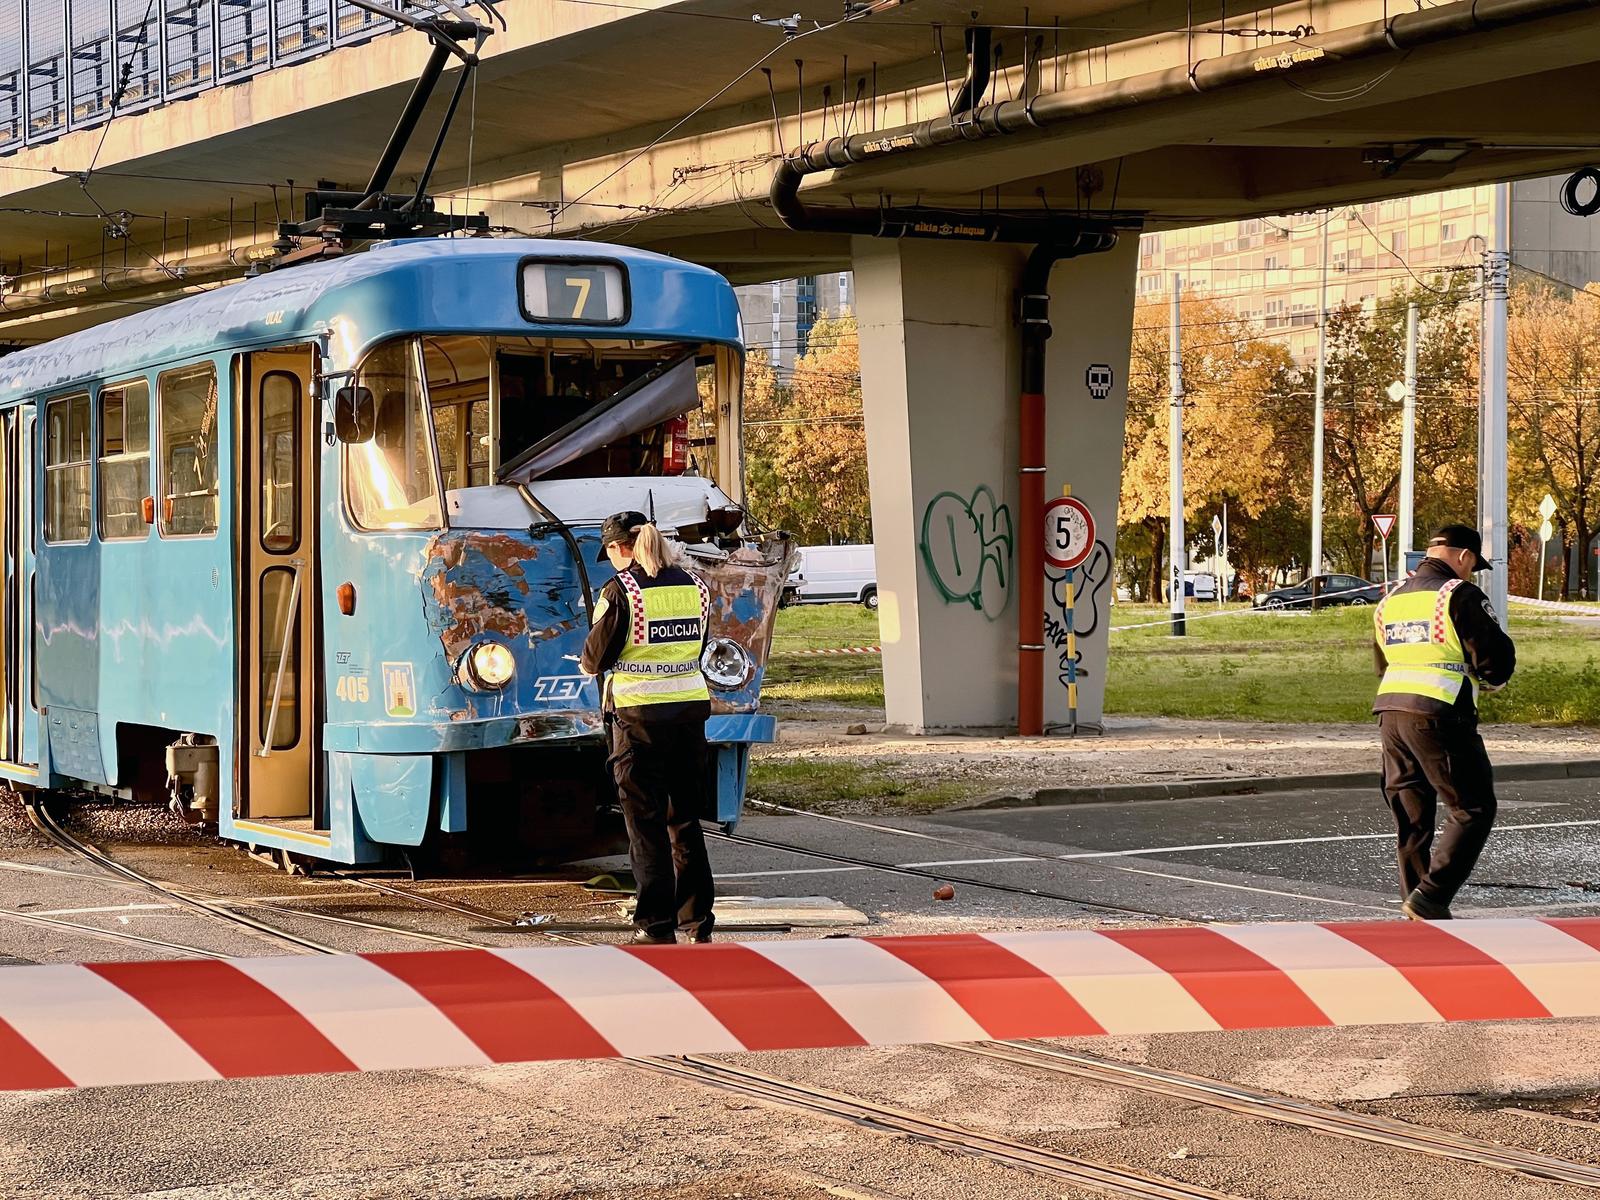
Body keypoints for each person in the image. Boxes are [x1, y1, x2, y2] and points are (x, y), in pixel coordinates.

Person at [580, 510, 716, 945]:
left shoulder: (622, 590)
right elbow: (697, 645)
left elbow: (594, 657)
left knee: (646, 825)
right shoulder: (696, 586)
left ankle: (655, 926)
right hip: (690, 717)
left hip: (638, 721)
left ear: (621, 549)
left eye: (611, 553)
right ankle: (697, 923)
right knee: (685, 823)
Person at [1372, 523, 1516, 921]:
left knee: (1412, 816)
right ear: (1464, 557)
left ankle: (1417, 904)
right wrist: (1492, 680)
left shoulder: (1392, 598)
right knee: (1473, 807)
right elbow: (1493, 656)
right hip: (1438, 711)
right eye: (1473, 565)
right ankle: (1431, 896)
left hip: (1391, 710)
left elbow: (1383, 659)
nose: (1471, 572)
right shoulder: (1459, 593)